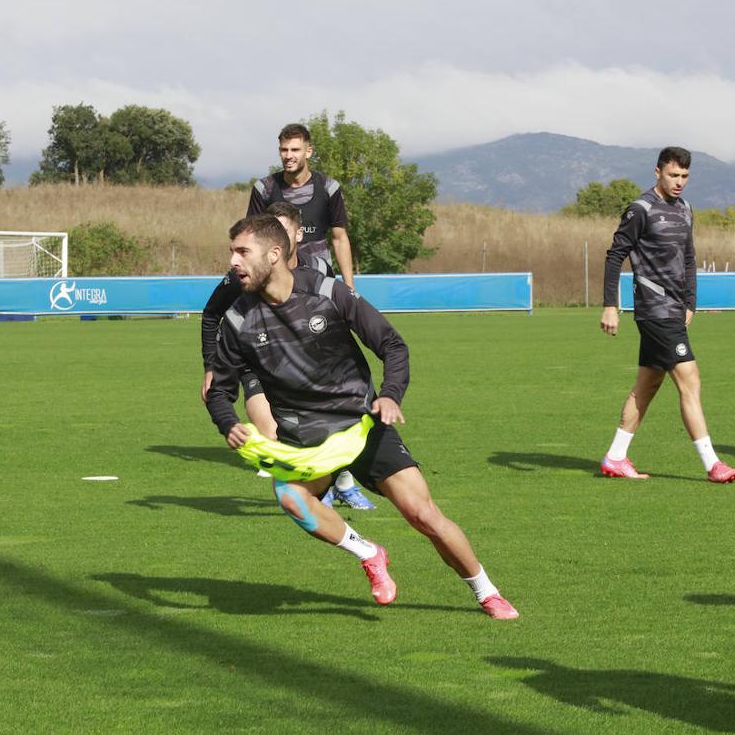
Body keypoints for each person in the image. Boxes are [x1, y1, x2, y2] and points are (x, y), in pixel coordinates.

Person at [205, 214, 518, 619]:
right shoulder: (237, 320)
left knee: (423, 515)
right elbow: (219, 389)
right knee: (290, 498)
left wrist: (389, 396)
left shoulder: (327, 293)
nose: (233, 261)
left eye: (243, 251)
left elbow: (392, 345)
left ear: (275, 254)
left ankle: (486, 591)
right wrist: (228, 424)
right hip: (306, 439)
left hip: (363, 424)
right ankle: (369, 552)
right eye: (232, 251)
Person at [201, 201, 376, 510]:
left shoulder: (319, 269)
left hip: (309, 362)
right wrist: (210, 367)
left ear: (297, 235)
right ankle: (304, 493)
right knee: (272, 432)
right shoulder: (242, 275)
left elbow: (333, 312)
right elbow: (211, 315)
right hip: (257, 362)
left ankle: (341, 484)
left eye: (284, 229)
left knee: (335, 423)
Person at [598, 147, 735, 483]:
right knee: (690, 378)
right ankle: (712, 464)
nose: (679, 182)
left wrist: (690, 302)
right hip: (653, 309)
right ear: (658, 172)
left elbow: (689, 258)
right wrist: (610, 305)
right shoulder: (640, 209)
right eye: (673, 175)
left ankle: (615, 457)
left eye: (685, 176)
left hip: (675, 310)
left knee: (647, 385)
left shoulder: (686, 209)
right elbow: (614, 255)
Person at [247, 123, 356, 289]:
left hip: (319, 280)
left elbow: (339, 239)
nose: (288, 155)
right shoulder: (264, 189)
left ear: (309, 151)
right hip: (278, 281)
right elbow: (253, 239)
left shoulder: (328, 188)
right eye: (284, 150)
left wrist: (350, 288)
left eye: (295, 150)